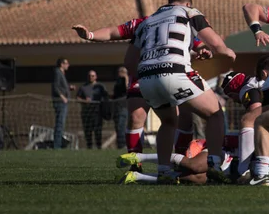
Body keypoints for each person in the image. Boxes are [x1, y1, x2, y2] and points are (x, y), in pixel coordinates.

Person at [126, 0, 236, 184]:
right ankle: (215, 163)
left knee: (169, 122)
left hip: (145, 77)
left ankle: (163, 171)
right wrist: (227, 53)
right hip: (175, 71)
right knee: (214, 113)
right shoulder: (189, 12)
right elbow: (215, 43)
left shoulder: (147, 21)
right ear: (187, 3)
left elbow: (129, 61)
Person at [73, 19, 212, 159]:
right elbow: (112, 31)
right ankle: (135, 166)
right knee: (136, 117)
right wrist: (90, 35)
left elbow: (198, 44)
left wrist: (203, 49)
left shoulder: (183, 24)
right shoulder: (145, 22)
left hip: (173, 77)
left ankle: (181, 163)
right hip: (142, 76)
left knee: (183, 118)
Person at [76, 70, 109, 149]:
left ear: (96, 77)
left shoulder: (100, 86)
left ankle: (99, 147)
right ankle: (89, 147)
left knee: (98, 131)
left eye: (93, 76)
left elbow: (106, 97)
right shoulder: (83, 87)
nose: (91, 77)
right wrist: (85, 101)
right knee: (88, 131)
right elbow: (77, 98)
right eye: (89, 76)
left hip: (98, 112)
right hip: (86, 113)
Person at [51, 57, 74, 149]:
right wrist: (62, 97)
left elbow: (61, 86)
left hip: (63, 102)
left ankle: (59, 143)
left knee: (61, 123)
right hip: (60, 102)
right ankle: (57, 145)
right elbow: (56, 87)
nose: (68, 65)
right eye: (66, 63)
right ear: (62, 64)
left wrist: (69, 87)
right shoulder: (57, 72)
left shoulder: (61, 74)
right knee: (59, 123)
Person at [112, 67, 129, 149]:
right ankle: (119, 144)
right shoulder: (117, 81)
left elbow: (127, 88)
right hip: (116, 106)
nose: (120, 73)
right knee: (117, 126)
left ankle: (123, 144)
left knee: (121, 125)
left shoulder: (126, 80)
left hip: (123, 106)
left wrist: (125, 77)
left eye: (122, 71)